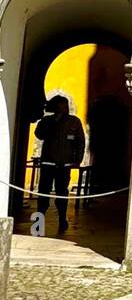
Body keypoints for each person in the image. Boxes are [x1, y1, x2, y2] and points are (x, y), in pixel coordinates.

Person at [34, 95, 85, 235]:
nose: (64, 107)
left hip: (64, 165)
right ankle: (38, 223)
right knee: (43, 194)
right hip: (48, 163)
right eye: (61, 105)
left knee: (62, 194)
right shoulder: (48, 121)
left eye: (65, 105)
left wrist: (77, 160)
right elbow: (39, 134)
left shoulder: (74, 122)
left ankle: (62, 220)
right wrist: (51, 123)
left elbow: (80, 142)